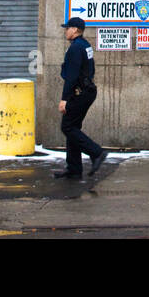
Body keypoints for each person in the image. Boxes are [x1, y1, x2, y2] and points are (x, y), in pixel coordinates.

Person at [55, 17, 105, 179]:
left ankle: (96, 152)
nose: (65, 31)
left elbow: (72, 76)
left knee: (68, 127)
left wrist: (65, 99)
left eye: (67, 28)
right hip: (87, 90)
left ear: (75, 30)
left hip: (80, 93)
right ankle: (74, 168)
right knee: (72, 127)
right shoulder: (84, 45)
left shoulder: (76, 48)